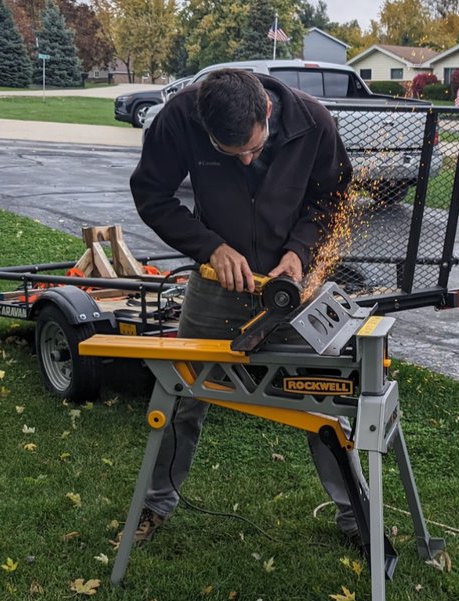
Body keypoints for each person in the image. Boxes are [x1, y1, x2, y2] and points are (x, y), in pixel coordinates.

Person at [129, 69, 358, 547]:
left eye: (254, 148)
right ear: (205, 128)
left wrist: (299, 253)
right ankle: (154, 505)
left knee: (323, 400)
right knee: (180, 395)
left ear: (268, 111)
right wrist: (210, 247)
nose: (248, 159)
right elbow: (152, 194)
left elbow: (333, 196)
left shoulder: (312, 122)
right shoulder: (179, 119)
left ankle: (356, 517)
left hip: (292, 290)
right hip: (216, 282)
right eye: (233, 155)